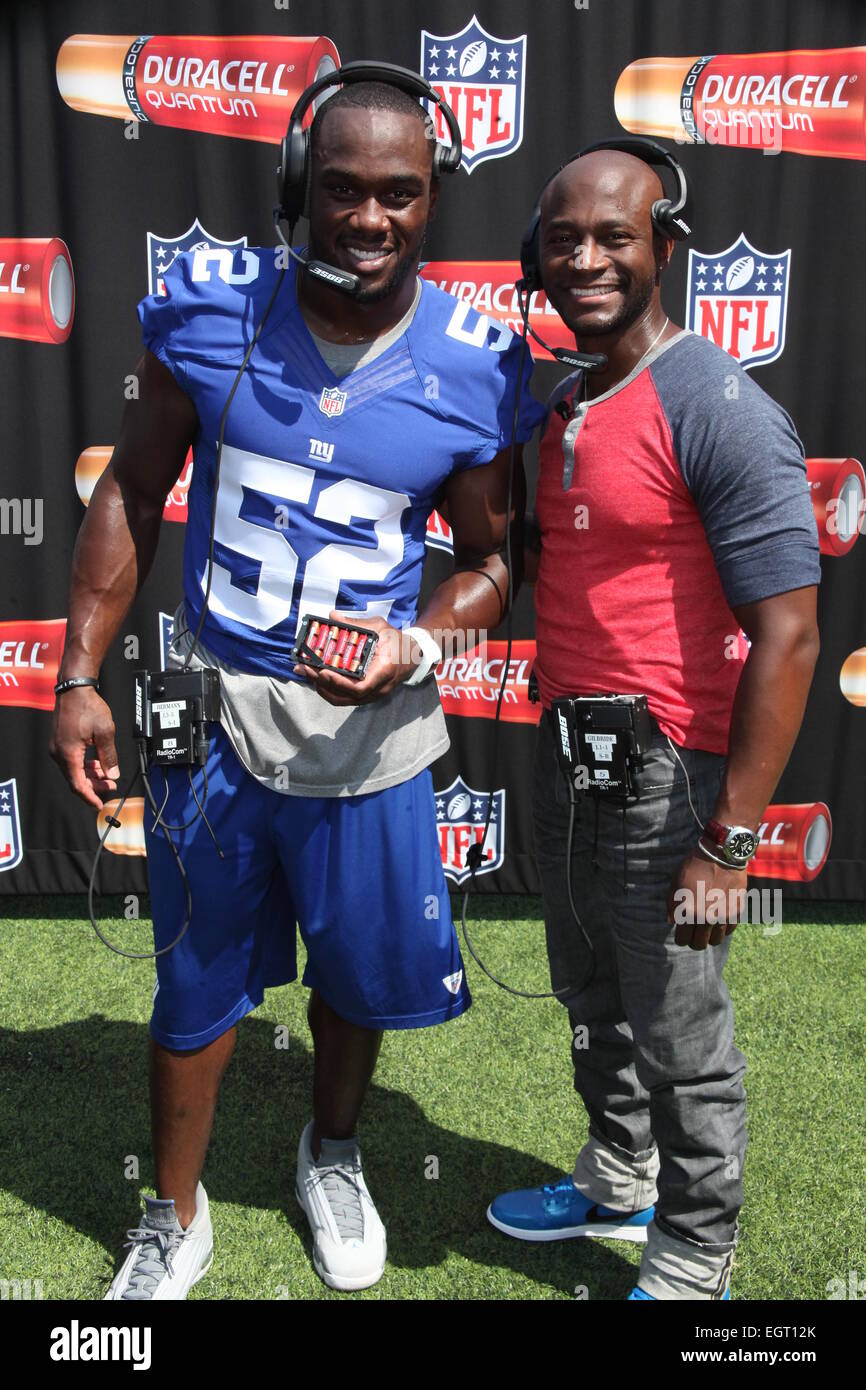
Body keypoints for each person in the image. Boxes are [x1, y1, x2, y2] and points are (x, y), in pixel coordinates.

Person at [49, 76, 542, 1299]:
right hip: (216, 709)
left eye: (398, 194)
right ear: (293, 189)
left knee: (358, 971)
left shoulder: (479, 365)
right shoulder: (210, 318)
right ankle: (173, 1210)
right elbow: (129, 489)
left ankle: (331, 1150)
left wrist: (416, 644)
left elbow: (489, 562)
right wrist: (75, 672)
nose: (367, 218)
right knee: (193, 978)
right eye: (340, 189)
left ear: (431, 203)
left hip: (367, 732)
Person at [487, 144, 821, 1300]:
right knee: (589, 997)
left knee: (678, 1031)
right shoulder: (563, 397)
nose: (584, 258)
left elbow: (786, 635)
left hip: (667, 771)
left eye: (611, 237)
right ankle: (619, 1173)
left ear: (661, 251)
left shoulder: (718, 406)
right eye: (562, 239)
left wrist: (728, 838)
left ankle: (694, 1244)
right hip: (567, 754)